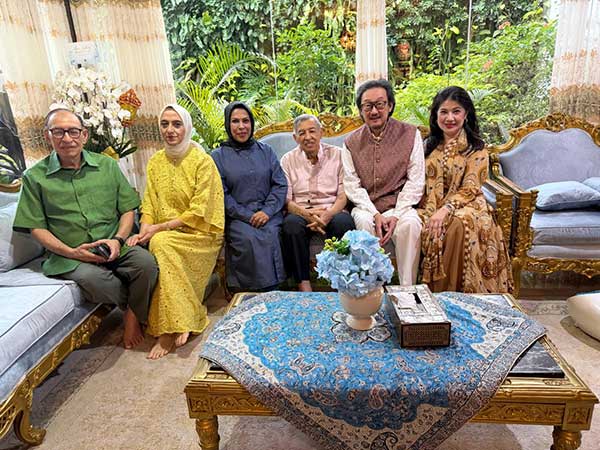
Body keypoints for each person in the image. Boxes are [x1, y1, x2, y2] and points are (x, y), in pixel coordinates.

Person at [13, 108, 158, 349]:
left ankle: (132, 315)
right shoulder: (35, 177)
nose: (66, 138)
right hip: (69, 254)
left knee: (146, 264)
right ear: (47, 136)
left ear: (84, 135)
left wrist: (118, 240)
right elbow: (35, 228)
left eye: (73, 131)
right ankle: (133, 308)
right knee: (94, 280)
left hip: (114, 243)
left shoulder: (107, 166)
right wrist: (72, 252)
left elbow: (127, 209)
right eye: (58, 132)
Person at [127, 104, 225, 359]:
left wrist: (158, 229)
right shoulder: (155, 161)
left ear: (187, 127)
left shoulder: (202, 161)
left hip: (200, 234)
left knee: (161, 243)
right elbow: (149, 203)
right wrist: (144, 231)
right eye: (165, 124)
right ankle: (183, 319)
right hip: (164, 235)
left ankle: (168, 331)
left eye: (177, 124)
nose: (170, 130)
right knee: (157, 243)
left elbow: (200, 210)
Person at [418, 86, 512, 293]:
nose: (449, 118)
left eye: (456, 111)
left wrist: (445, 210)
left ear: (466, 114)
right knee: (416, 222)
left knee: (458, 224)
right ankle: (424, 293)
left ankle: (448, 294)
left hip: (468, 203)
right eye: (443, 112)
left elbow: (471, 187)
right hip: (430, 203)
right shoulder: (427, 146)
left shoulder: (476, 148)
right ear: (435, 115)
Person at [342, 79, 425, 285]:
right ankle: (369, 289)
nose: (374, 111)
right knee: (363, 223)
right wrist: (375, 214)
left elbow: (416, 180)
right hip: (366, 206)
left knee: (411, 224)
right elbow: (352, 185)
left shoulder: (410, 134)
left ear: (390, 106)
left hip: (400, 205)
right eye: (367, 106)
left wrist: (397, 214)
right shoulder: (351, 142)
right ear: (361, 111)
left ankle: (407, 289)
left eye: (380, 104)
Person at [211, 102, 287, 291]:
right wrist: (247, 215)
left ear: (252, 123)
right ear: (228, 124)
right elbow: (221, 194)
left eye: (245, 121)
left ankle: (275, 291)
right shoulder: (217, 156)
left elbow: (279, 184)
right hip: (238, 217)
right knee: (247, 238)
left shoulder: (266, 151)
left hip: (269, 214)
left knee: (271, 234)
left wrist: (267, 211)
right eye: (235, 121)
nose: (241, 126)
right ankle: (246, 292)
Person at [280, 114, 354, 292]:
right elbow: (286, 200)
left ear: (321, 133)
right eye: (302, 133)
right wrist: (308, 214)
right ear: (295, 138)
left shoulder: (338, 155)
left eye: (312, 131)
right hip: (300, 211)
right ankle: (304, 285)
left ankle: (340, 283)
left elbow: (343, 195)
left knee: (344, 223)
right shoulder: (287, 160)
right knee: (291, 226)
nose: (308, 137)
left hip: (332, 209)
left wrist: (328, 214)